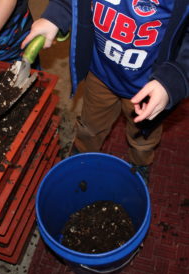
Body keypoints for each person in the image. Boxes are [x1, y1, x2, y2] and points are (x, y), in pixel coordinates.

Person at [22, 0, 189, 183]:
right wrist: (57, 15)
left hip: (149, 88)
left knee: (142, 138)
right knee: (90, 125)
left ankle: (139, 162)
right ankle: (83, 152)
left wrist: (173, 78)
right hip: (101, 74)